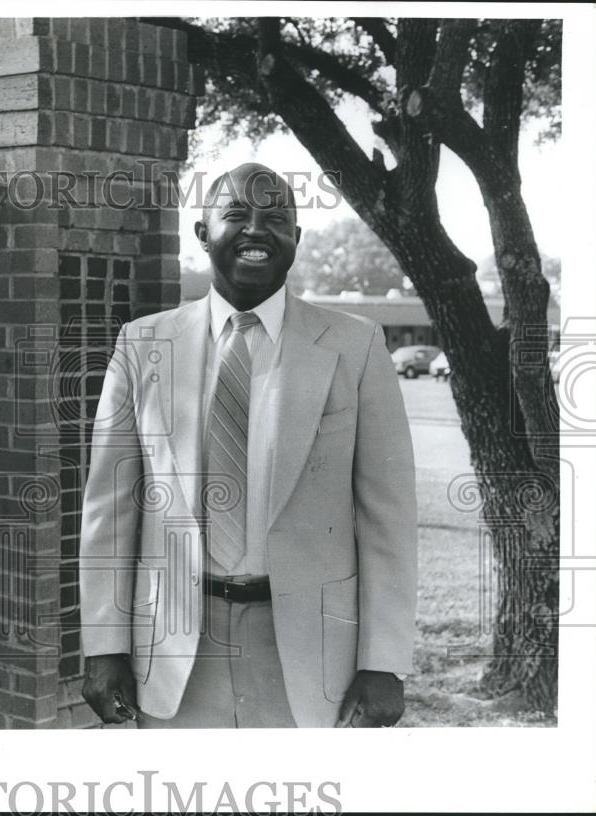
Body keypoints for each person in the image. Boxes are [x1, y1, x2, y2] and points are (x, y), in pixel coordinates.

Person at [78, 163, 418, 728]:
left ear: (296, 239)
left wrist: (384, 662)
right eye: (235, 214)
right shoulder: (142, 345)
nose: (256, 230)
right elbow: (108, 512)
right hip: (174, 647)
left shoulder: (356, 347)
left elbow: (389, 517)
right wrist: (105, 644)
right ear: (203, 232)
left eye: (276, 218)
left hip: (311, 651)